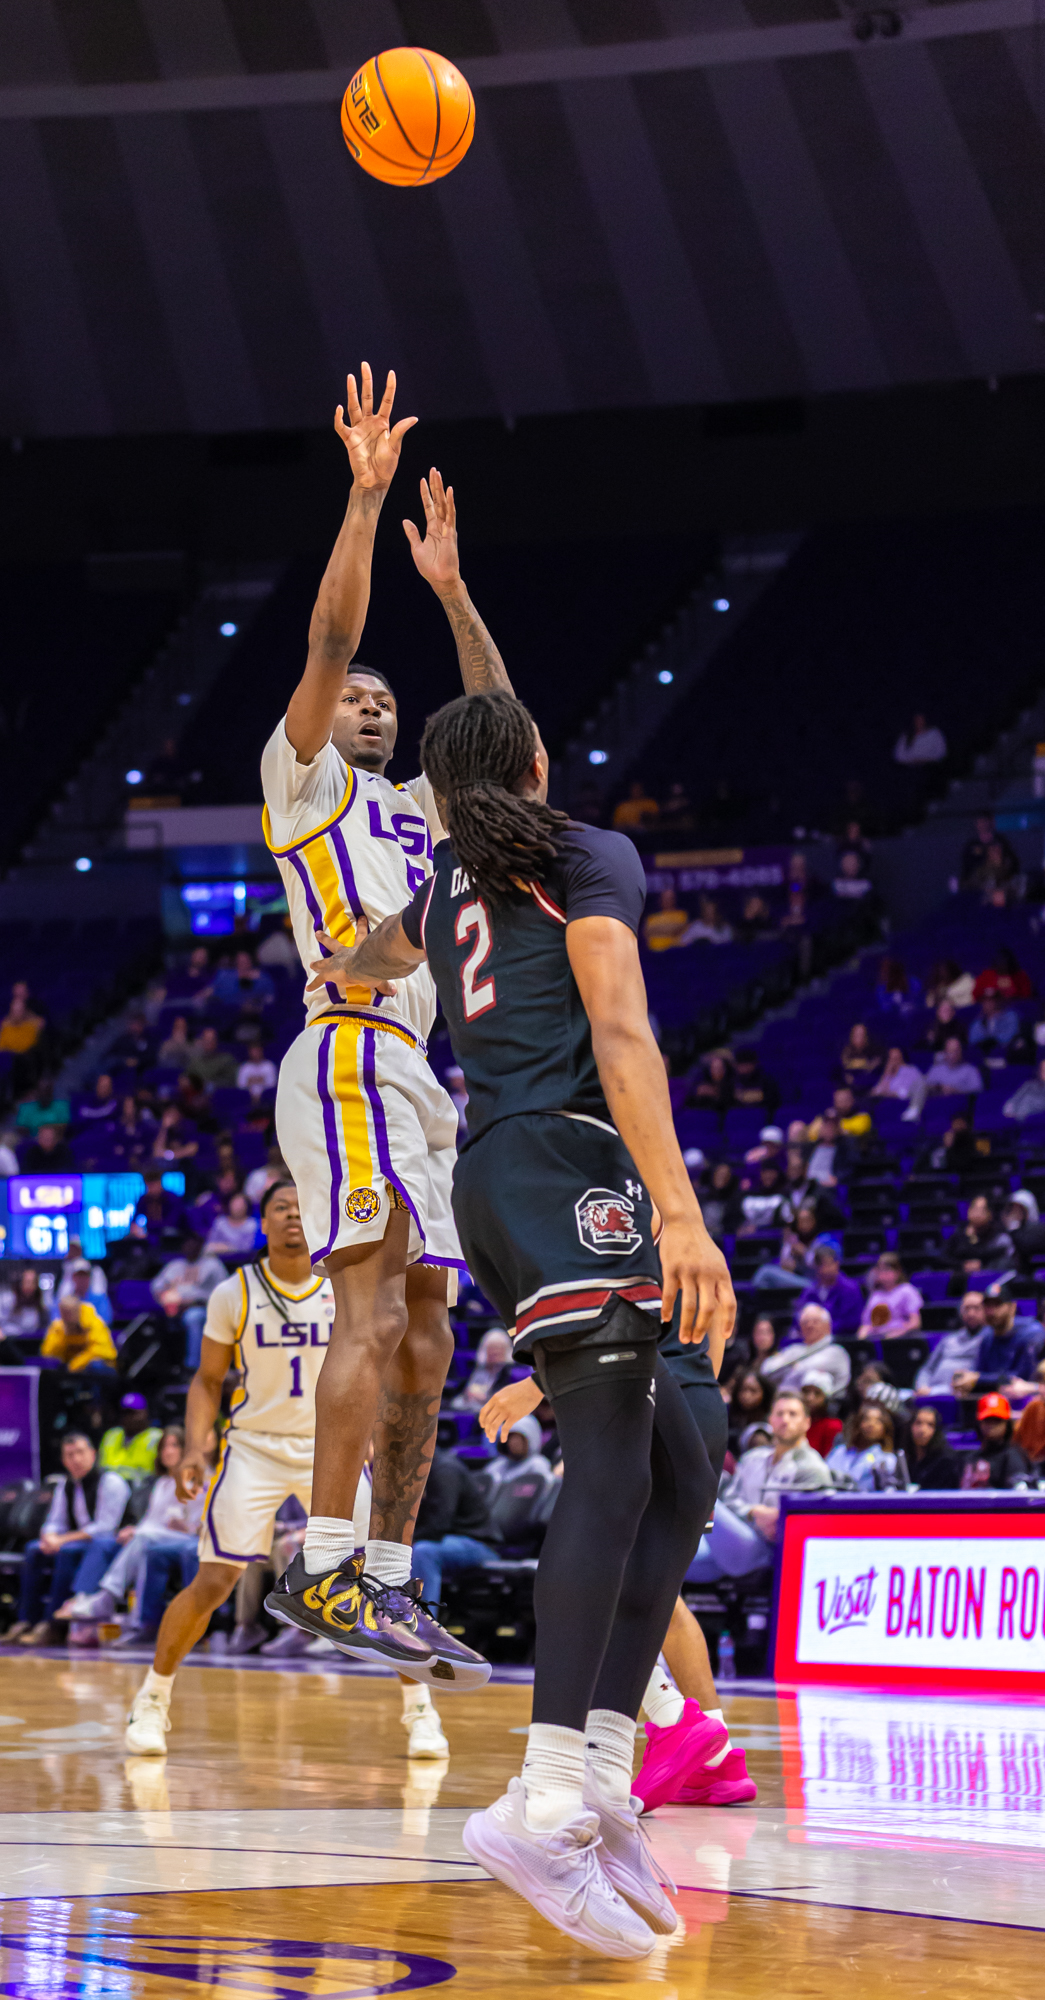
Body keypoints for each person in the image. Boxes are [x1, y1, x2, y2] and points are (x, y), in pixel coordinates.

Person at [308, 680, 734, 1949]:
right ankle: (544, 1793)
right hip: (566, 1161)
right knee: (613, 1464)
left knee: (685, 1456)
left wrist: (336, 969)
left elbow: (371, 951)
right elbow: (620, 1026)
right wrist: (680, 1206)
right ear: (539, 760)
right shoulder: (584, 854)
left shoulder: (444, 889)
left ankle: (600, 1777)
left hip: (511, 1174)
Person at [250, 389, 504, 1703]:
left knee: (427, 1331)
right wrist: (362, 501)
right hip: (343, 1044)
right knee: (371, 1294)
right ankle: (326, 1562)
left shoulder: (422, 805)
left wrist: (452, 592)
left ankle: (388, 1577)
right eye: (351, 694)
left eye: (381, 698)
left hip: (418, 1072)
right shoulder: (305, 783)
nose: (367, 699)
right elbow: (336, 626)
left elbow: (501, 739)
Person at [124, 1182, 408, 1754]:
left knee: (378, 1576)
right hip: (253, 1446)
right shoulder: (234, 1292)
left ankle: (419, 1711)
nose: (293, 1218)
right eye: (281, 1208)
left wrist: (377, 1428)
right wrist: (198, 1448)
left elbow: (381, 1366)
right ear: (262, 1223)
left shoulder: (344, 1286)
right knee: (214, 1580)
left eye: (303, 1209)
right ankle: (152, 1699)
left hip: (333, 1444)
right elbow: (207, 1381)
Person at [62, 1426, 204, 1646]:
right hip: (159, 1539)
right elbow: (151, 1521)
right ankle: (137, 1622)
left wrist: (181, 1526)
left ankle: (107, 1596)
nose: (168, 1451)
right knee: (138, 1544)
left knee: (143, 1539)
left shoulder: (196, 1480)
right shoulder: (163, 1483)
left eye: (174, 1445)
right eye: (164, 1446)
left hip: (191, 1541)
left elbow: (199, 1526)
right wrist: (134, 1530)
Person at [687, 1391, 833, 1581]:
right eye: (779, 1414)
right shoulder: (752, 1458)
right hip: (732, 1541)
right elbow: (729, 1499)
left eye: (792, 1414)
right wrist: (752, 1512)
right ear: (771, 1419)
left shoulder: (813, 1467)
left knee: (699, 1492)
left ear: (807, 1422)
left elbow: (816, 1522)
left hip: (769, 1551)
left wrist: (780, 1520)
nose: (785, 1420)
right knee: (667, 1562)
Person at [1, 1432, 130, 1645]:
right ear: (63, 1461)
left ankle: (53, 1625)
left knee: (66, 1552)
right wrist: (50, 1536)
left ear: (93, 1454)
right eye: (70, 1455)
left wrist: (62, 1541)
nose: (76, 1459)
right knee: (34, 1549)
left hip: (109, 1546)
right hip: (78, 1542)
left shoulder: (111, 1482)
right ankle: (27, 1619)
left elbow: (105, 1528)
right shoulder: (65, 1485)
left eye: (80, 1452)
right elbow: (55, 1520)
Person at [408, 1445, 500, 1605]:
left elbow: (440, 1524)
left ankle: (422, 1624)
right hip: (446, 1540)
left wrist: (406, 1541)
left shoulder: (446, 1470)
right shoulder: (417, 1470)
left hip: (478, 1543)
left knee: (423, 1552)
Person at [152, 1236, 230, 1371]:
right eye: (186, 1245)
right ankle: (165, 1367)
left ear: (200, 1246)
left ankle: (193, 1366)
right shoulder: (175, 1265)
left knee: (193, 1317)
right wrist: (167, 1301)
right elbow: (156, 1287)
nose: (189, 1248)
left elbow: (225, 1294)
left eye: (193, 1244)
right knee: (154, 1321)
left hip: (204, 1308)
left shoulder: (213, 1265)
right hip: (176, 1308)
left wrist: (191, 1303)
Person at [759, 1304, 851, 1400]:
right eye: (805, 1322)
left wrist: (792, 1368)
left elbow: (801, 1372)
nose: (809, 1325)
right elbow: (766, 1369)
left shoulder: (835, 1352)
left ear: (827, 1325)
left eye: (815, 1321)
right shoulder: (794, 1349)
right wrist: (793, 1367)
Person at [916, 1290, 989, 1392]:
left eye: (977, 1308)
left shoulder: (989, 1340)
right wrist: (922, 1387)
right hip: (929, 1391)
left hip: (959, 1393)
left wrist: (933, 1391)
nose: (971, 1313)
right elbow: (927, 1369)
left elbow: (977, 1373)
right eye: (966, 1308)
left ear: (986, 1311)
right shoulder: (948, 1339)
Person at [961, 1392, 1032, 1489]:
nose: (992, 1425)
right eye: (987, 1420)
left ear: (1007, 1424)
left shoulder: (1013, 1457)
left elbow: (1017, 1498)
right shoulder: (969, 1457)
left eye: (997, 1420)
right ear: (979, 1423)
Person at [39, 1293, 118, 1378]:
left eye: (69, 1312)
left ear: (78, 1310)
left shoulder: (94, 1323)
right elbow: (47, 1353)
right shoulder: (58, 1328)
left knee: (96, 1365)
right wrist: (62, 1336)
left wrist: (76, 1364)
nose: (66, 1316)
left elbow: (100, 1351)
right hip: (71, 1369)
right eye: (64, 1312)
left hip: (99, 1369)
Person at [826, 1403, 898, 1491]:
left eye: (878, 1421)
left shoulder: (887, 1459)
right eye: (867, 1419)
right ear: (858, 1424)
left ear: (885, 1428)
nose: (871, 1424)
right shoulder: (840, 1451)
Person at [795, 1244, 863, 1335]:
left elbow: (851, 1322)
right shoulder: (810, 1291)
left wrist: (821, 1329)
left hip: (841, 1339)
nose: (827, 1269)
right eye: (823, 1265)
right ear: (816, 1268)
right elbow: (800, 1316)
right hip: (812, 1338)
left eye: (830, 1264)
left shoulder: (850, 1288)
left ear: (837, 1264)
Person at [99, 1393, 161, 1486]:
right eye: (125, 1413)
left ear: (145, 1413)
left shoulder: (156, 1437)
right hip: (111, 1491)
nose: (129, 1417)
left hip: (144, 1492)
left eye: (133, 1413)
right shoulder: (111, 1435)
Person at [858, 1256, 922, 1341]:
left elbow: (915, 1323)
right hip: (877, 1338)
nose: (884, 1274)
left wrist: (900, 1331)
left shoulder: (907, 1290)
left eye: (887, 1270)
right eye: (880, 1270)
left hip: (901, 1339)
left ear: (898, 1272)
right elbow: (867, 1323)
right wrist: (862, 1334)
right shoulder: (875, 1295)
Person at [451, 1327, 514, 1410]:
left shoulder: (511, 1373)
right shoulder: (477, 1370)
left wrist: (485, 1398)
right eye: (491, 1348)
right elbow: (468, 1390)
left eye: (498, 1348)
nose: (495, 1352)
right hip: (473, 1405)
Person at [905, 1405, 961, 1490]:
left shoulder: (946, 1461)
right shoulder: (905, 1456)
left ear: (937, 1430)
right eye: (918, 1423)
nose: (922, 1430)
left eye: (930, 1425)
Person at [187, 1026, 238, 1092]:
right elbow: (187, 1076)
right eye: (206, 1039)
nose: (208, 1042)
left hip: (218, 1096)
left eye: (211, 1039)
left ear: (216, 1041)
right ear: (202, 1041)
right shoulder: (195, 1060)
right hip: (195, 1095)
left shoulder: (227, 1060)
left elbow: (230, 1081)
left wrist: (209, 1085)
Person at [643, 888, 688, 953]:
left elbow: (678, 929)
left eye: (670, 898)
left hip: (676, 953)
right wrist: (670, 929)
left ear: (674, 899)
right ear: (660, 899)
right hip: (655, 954)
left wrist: (656, 929)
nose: (667, 901)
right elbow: (646, 932)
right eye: (665, 898)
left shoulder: (682, 915)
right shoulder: (652, 918)